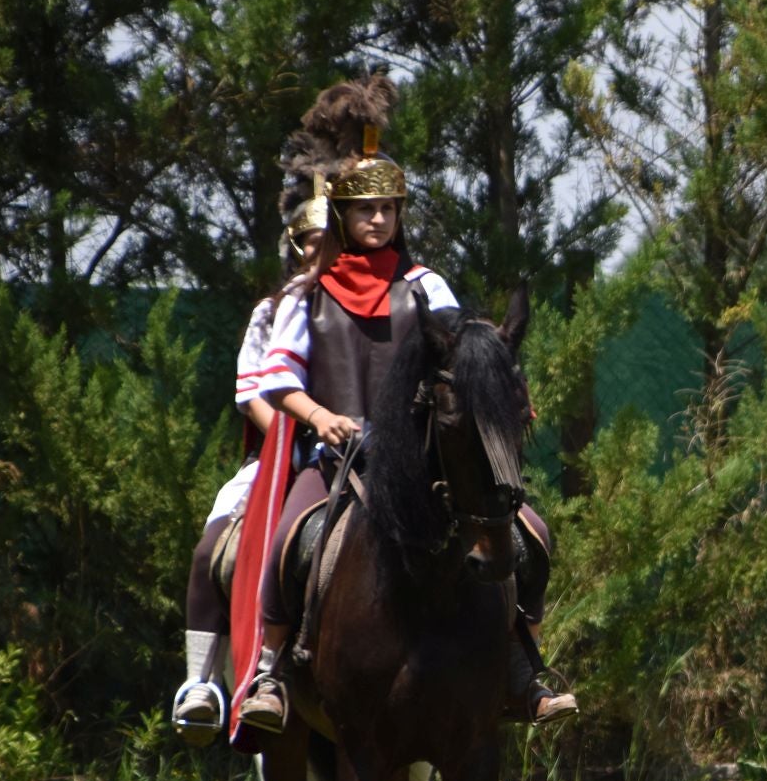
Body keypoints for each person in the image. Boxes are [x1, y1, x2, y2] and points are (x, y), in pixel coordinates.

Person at [237, 75, 573, 732]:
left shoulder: (426, 284)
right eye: (366, 210)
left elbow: (464, 353)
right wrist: (320, 418)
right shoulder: (307, 294)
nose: (378, 220)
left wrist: (501, 385)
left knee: (529, 532)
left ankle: (521, 664)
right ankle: (272, 673)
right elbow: (278, 382)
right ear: (341, 216)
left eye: (389, 209)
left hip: (419, 463)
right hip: (337, 460)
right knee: (286, 540)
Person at [169, 186, 325, 741]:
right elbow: (254, 394)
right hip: (282, 451)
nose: (322, 252)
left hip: (359, 451)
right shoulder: (272, 311)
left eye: (331, 241)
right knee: (213, 548)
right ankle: (201, 683)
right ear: (296, 248)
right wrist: (298, 431)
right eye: (312, 242)